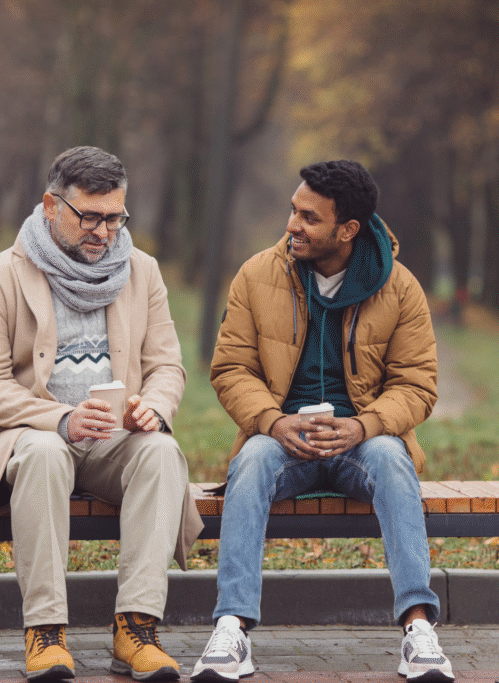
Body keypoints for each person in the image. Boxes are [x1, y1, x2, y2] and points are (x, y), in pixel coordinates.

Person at [192, 160, 454, 683]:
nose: (293, 225)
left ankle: (419, 629)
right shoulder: (257, 275)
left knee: (393, 458)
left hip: (362, 442)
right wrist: (272, 421)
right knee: (251, 460)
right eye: (294, 210)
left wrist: (365, 425)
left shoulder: (400, 287)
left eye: (310, 218)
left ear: (348, 229)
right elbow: (231, 368)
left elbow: (417, 384)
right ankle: (231, 628)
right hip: (282, 440)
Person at [0, 146, 202, 682]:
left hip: (115, 440)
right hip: (33, 438)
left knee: (162, 452)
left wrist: (154, 408)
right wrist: (62, 419)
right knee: (44, 453)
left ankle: (136, 629)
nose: (103, 232)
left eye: (115, 218)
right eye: (89, 216)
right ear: (51, 206)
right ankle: (45, 632)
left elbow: (166, 366)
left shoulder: (142, 271)